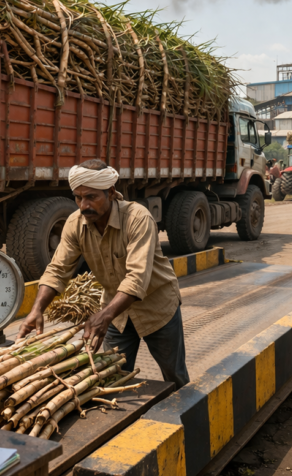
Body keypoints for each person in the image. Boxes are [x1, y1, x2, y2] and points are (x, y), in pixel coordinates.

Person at [19, 159, 190, 389]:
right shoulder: (75, 224)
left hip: (157, 309)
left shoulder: (138, 218)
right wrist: (37, 309)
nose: (83, 205)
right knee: (112, 377)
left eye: (91, 197)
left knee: (175, 376)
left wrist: (104, 315)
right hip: (117, 316)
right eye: (78, 198)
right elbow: (57, 270)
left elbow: (136, 278)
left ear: (110, 192)